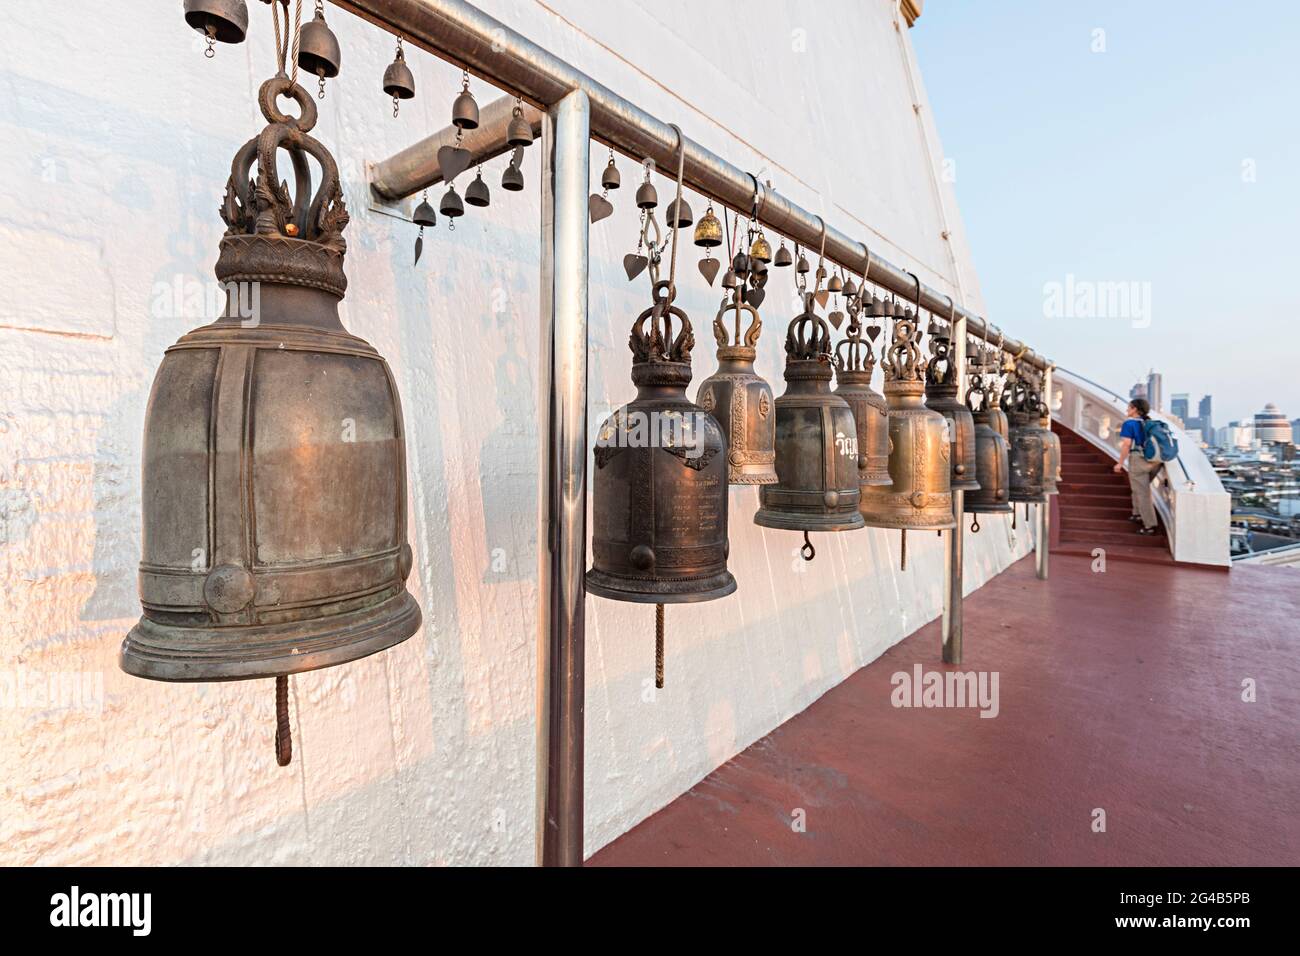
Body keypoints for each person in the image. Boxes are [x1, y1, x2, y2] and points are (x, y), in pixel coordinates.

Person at [1114, 398, 1160, 535]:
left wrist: (1120, 463)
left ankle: (1149, 525)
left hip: (1139, 460)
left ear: (1135, 409)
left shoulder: (1129, 424)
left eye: (1129, 407)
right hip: (1155, 461)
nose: (1127, 410)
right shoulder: (1149, 422)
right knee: (1139, 488)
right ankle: (1137, 513)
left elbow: (1127, 444)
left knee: (1142, 492)